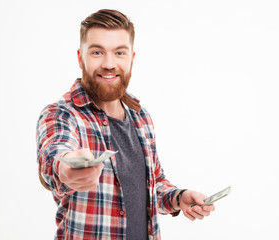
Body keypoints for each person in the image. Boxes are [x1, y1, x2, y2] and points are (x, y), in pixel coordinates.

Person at [36, 9, 215, 240]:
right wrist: (67, 169)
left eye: (119, 52)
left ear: (131, 58)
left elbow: (153, 185)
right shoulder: (61, 114)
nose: (109, 64)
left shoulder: (141, 117)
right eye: (97, 52)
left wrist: (180, 198)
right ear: (81, 57)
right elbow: (55, 157)